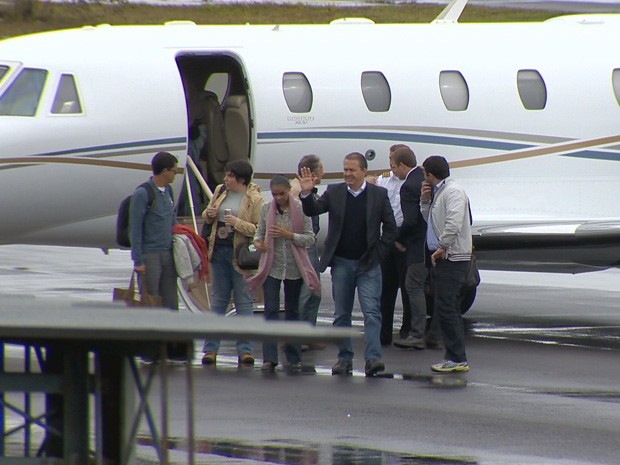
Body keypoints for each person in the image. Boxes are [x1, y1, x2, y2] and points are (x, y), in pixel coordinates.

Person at [299, 152, 397, 377]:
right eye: (345, 170)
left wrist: (379, 253)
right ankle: (344, 359)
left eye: (352, 170)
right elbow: (313, 210)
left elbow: (390, 228)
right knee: (342, 314)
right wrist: (306, 193)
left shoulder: (378, 195)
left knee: (372, 312)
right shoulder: (334, 192)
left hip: (369, 264)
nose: (347, 174)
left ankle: (373, 360)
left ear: (363, 171)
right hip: (342, 263)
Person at [246, 175, 320, 372]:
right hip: (272, 266)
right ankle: (269, 358)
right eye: (275, 194)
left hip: (294, 267)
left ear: (289, 191)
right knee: (270, 310)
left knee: (293, 311)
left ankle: (294, 356)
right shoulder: (266, 209)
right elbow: (259, 233)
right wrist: (257, 243)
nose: (278, 198)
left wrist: (290, 236)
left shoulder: (299, 208)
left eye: (282, 194)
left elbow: (310, 238)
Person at [201, 159, 264, 367]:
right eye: (226, 175)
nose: (226, 179)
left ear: (241, 179)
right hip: (218, 251)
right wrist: (209, 215)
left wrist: (237, 223)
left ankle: (245, 350)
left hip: (240, 255)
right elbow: (208, 214)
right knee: (218, 300)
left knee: (244, 302)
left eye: (230, 176)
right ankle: (210, 349)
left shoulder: (255, 198)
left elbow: (257, 228)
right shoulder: (220, 191)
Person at [420, 155, 472, 373]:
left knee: (448, 308)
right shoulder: (440, 192)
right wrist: (424, 201)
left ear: (430, 175)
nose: (424, 178)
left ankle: (457, 358)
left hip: (452, 257)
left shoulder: (453, 192)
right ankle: (454, 356)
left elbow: (454, 221)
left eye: (424, 174)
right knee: (446, 307)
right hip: (444, 256)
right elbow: (430, 220)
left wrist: (442, 247)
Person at [391, 146, 441, 350]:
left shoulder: (408, 186)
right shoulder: (424, 180)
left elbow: (410, 220)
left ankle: (417, 334)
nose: (393, 172)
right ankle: (434, 334)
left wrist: (398, 239)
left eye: (394, 167)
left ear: (403, 165)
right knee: (438, 291)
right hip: (432, 244)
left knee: (413, 287)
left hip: (417, 247)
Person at [369, 144, 412, 347]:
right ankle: (384, 332)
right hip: (388, 243)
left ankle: (407, 331)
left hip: (405, 243)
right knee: (386, 290)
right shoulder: (385, 181)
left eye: (393, 163)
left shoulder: (414, 182)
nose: (391, 167)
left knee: (407, 289)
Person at [130, 151, 179, 310]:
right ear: (165, 171)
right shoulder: (143, 194)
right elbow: (135, 228)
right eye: (174, 171)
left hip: (167, 253)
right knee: (151, 298)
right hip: (150, 254)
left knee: (171, 299)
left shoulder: (169, 191)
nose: (175, 175)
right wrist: (138, 260)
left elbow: (172, 220)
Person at [290, 154, 326, 350]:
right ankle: (301, 336)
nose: (324, 174)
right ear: (312, 173)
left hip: (307, 244)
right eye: (321, 170)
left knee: (313, 291)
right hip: (302, 245)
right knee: (308, 290)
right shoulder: (296, 192)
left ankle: (307, 333)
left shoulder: (307, 191)